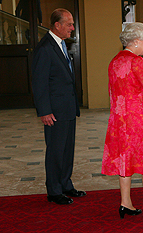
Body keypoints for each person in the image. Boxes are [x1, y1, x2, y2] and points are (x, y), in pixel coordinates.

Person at [101, 22, 143, 220]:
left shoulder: (114, 61)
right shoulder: (138, 62)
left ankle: (126, 203)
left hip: (118, 121)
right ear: (137, 41)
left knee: (125, 161)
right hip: (137, 121)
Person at [32, 8, 85, 205]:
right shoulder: (45, 48)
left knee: (67, 149)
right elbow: (39, 83)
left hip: (67, 108)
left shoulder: (61, 45)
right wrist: (44, 111)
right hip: (54, 111)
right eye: (69, 24)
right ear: (57, 25)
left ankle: (65, 184)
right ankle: (54, 191)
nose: (72, 28)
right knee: (55, 150)